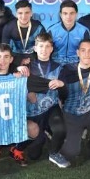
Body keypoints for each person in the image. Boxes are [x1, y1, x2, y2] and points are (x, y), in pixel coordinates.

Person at [16, 32, 70, 168]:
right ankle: (40, 136)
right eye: (41, 46)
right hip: (32, 112)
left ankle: (54, 153)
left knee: (61, 130)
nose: (44, 50)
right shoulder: (26, 66)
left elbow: (65, 95)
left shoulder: (59, 68)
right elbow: (7, 68)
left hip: (51, 108)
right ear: (35, 48)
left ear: (52, 49)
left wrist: (62, 85)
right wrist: (17, 68)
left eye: (47, 46)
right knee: (34, 155)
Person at [46, 0, 90, 65]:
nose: (68, 17)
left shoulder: (84, 31)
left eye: (71, 13)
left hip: (76, 65)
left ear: (76, 14)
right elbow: (46, 50)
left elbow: (88, 52)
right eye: (65, 13)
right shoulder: (52, 30)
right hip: (56, 64)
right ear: (60, 15)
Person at [2, 0, 45, 66]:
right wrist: (18, 61)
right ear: (16, 14)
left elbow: (44, 49)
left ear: (31, 13)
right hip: (14, 60)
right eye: (20, 13)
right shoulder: (8, 27)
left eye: (27, 13)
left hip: (34, 59)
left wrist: (32, 60)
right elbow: (4, 51)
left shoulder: (38, 27)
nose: (24, 16)